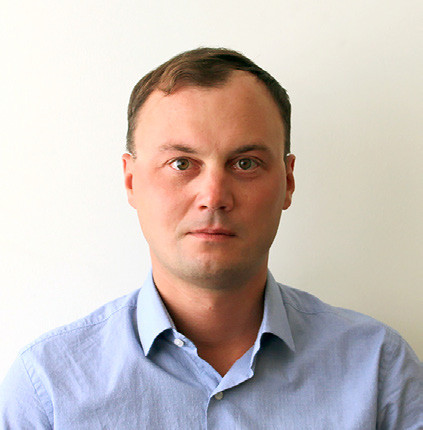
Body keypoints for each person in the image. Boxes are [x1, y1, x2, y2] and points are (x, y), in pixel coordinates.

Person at [0, 47, 421, 429]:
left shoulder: (379, 370)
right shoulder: (48, 389)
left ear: (288, 182)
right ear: (130, 181)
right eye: (182, 163)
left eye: (246, 163)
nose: (214, 196)